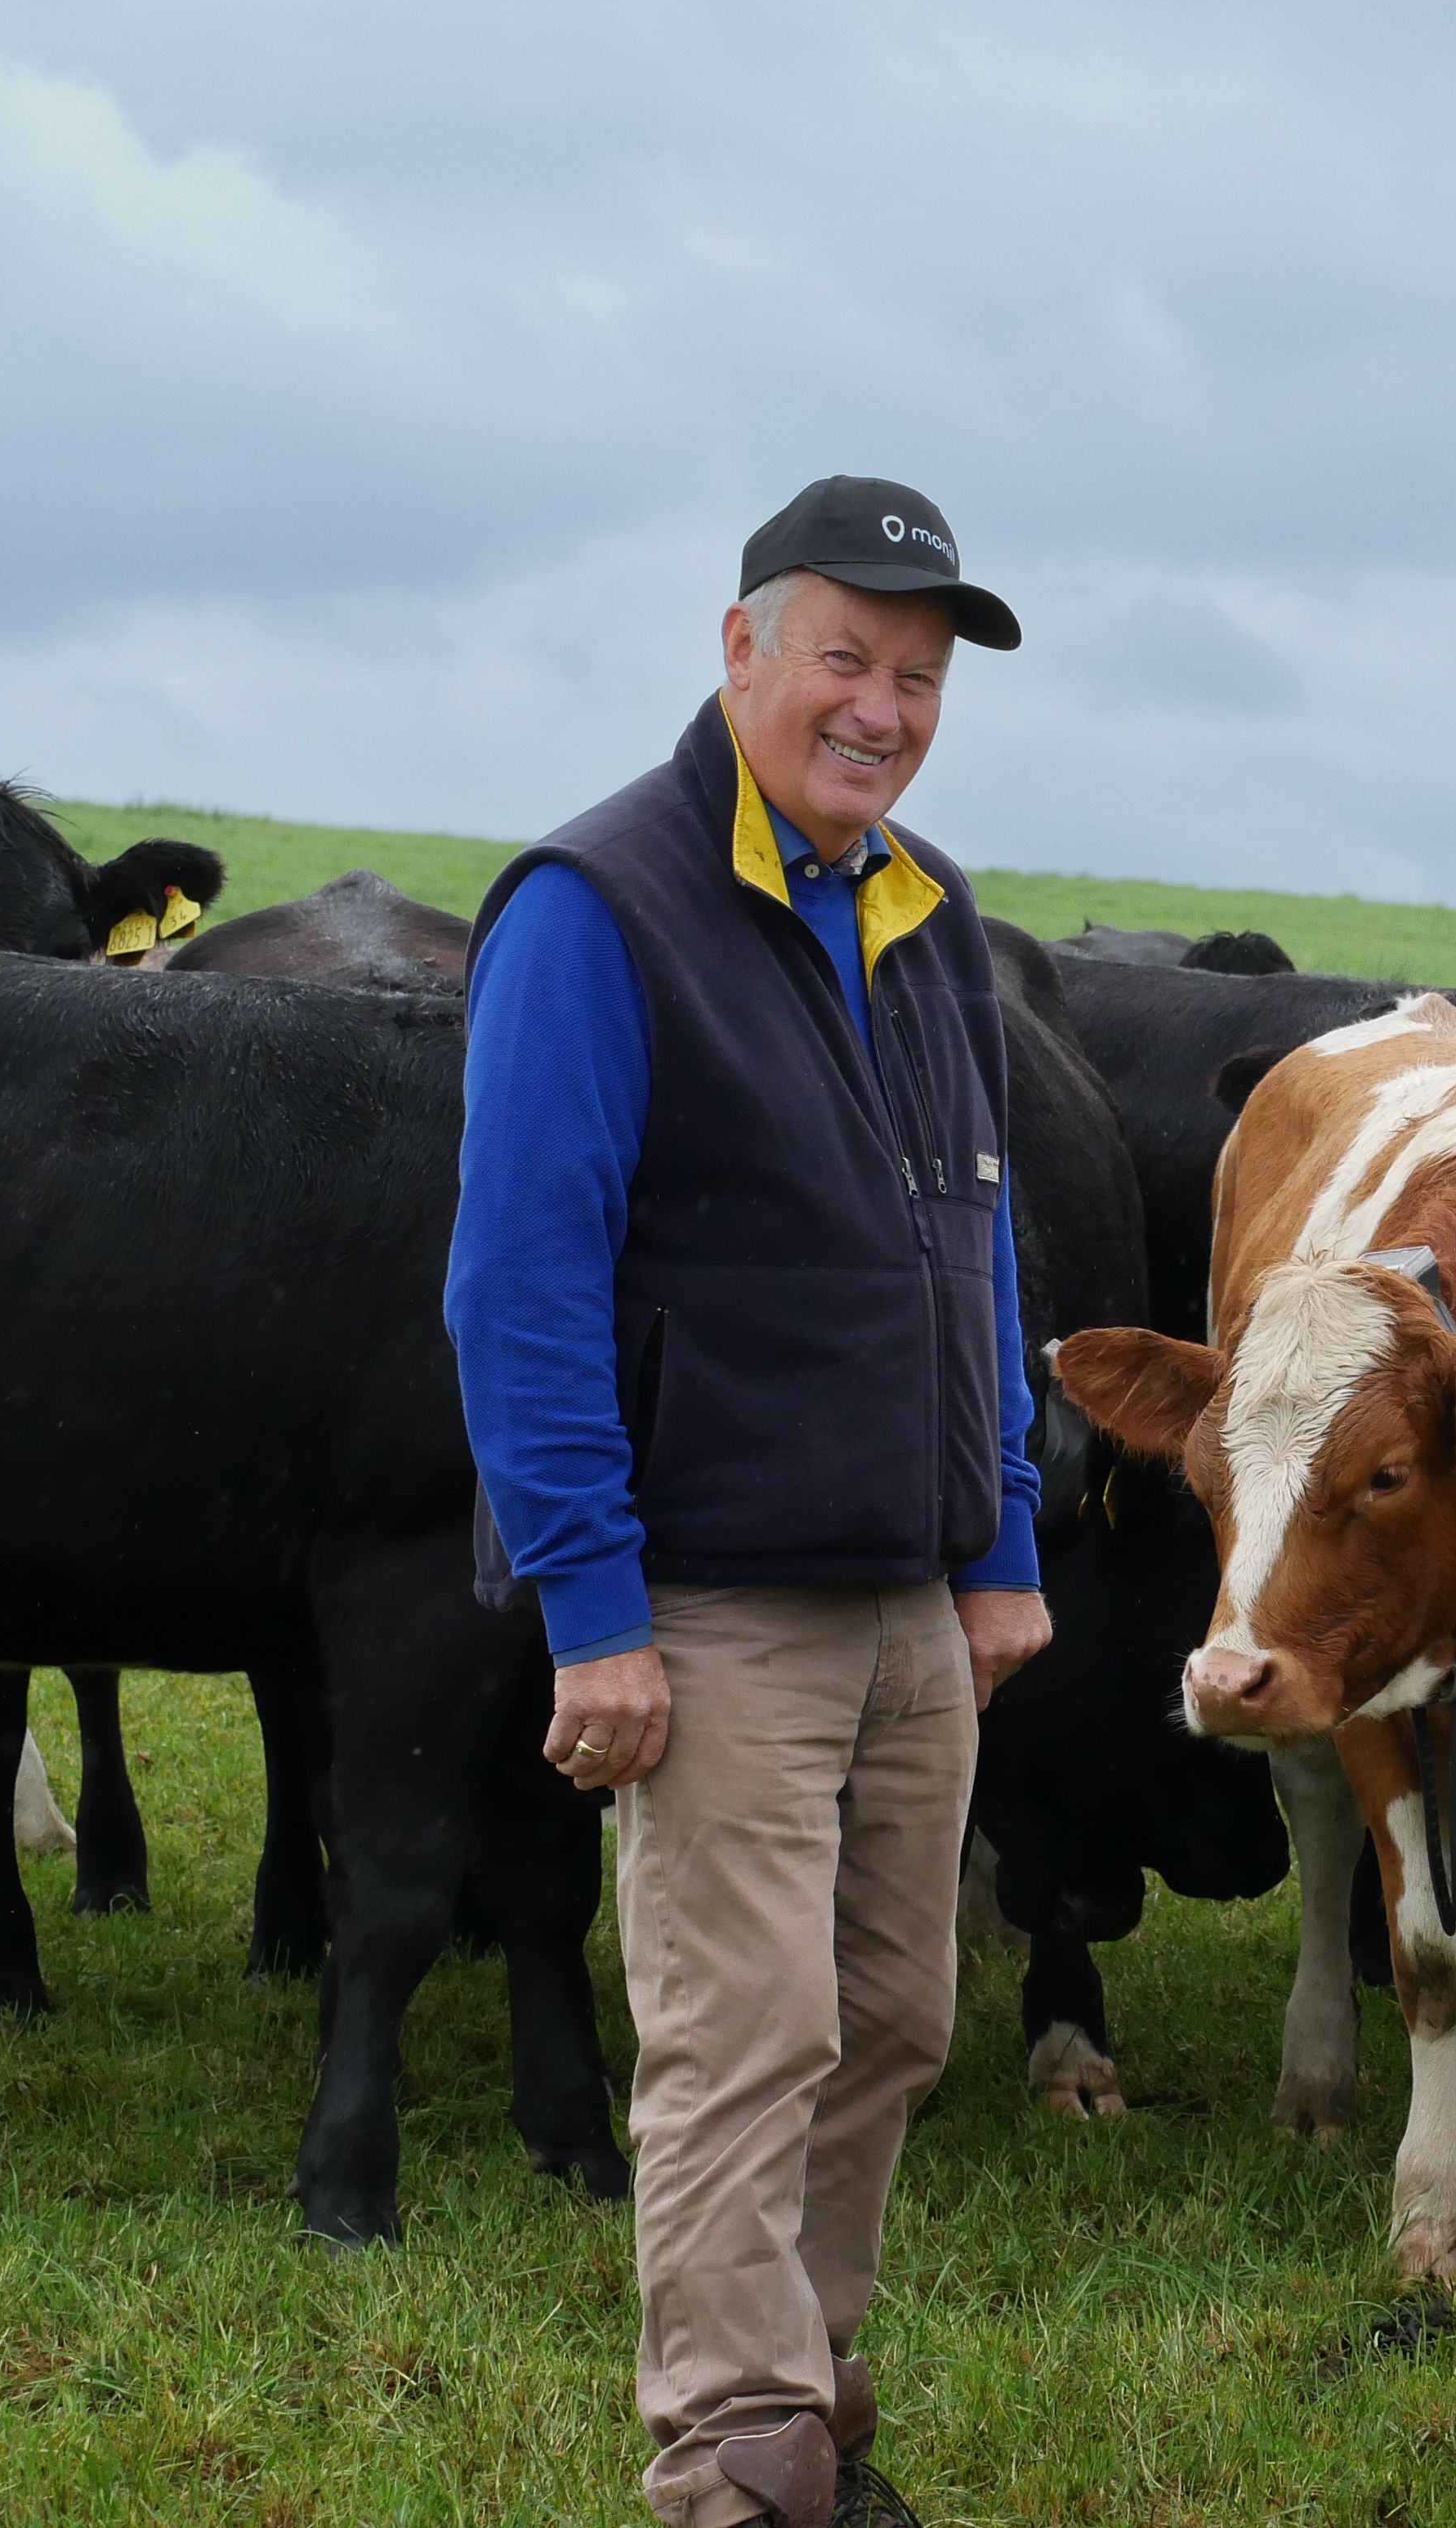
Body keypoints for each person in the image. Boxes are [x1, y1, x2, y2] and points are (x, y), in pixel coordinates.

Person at [447, 477, 1055, 2528]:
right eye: (844, 660)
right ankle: (733, 2462)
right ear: (738, 650)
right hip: (706, 1595)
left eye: (915, 677)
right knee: (744, 2030)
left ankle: (803, 2391)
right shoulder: (596, 906)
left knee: (891, 2013)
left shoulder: (928, 910)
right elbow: (517, 1277)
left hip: (903, 1585)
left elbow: (970, 1249)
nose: (880, 709)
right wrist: (590, 1603)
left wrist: (1000, 1540)